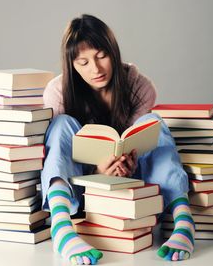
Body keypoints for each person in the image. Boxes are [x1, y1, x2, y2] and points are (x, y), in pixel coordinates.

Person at [41, 14, 195, 265]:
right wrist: (96, 170)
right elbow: (61, 152)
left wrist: (130, 165)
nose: (96, 69)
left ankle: (183, 220)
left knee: (152, 122)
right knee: (60, 125)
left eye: (102, 56)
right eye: (83, 62)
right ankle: (61, 227)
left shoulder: (139, 85)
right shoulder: (57, 92)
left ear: (114, 51)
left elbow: (144, 143)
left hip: (135, 181)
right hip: (80, 187)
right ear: (72, 65)